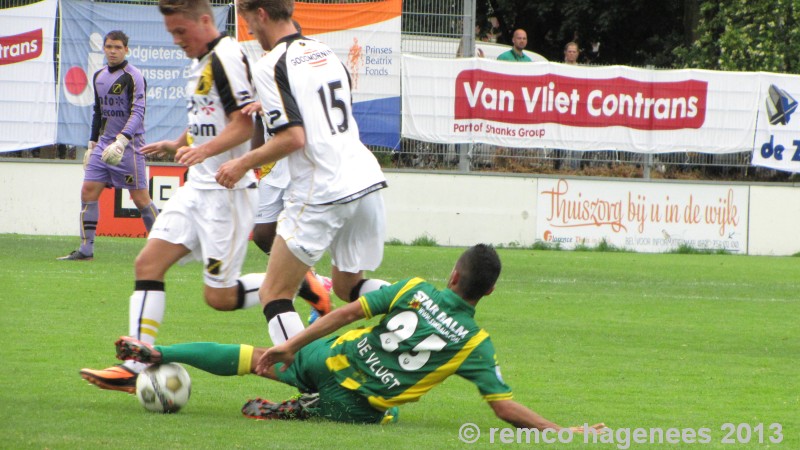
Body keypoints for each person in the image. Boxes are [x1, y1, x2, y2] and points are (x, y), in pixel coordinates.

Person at [113, 244, 607, 431]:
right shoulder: (477, 345)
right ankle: (303, 410)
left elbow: (346, 310)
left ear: (453, 275)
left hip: (326, 355)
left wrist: (295, 342)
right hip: (355, 402)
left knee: (256, 355)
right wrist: (562, 432)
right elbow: (503, 407)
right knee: (385, 413)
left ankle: (160, 351)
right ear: (489, 291)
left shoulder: (414, 288)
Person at [79, 0, 264, 394]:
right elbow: (207, 119)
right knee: (148, 263)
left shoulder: (227, 56)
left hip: (226, 193)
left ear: (203, 20)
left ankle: (296, 281)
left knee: (219, 298)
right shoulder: (200, 62)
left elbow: (243, 125)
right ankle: (133, 365)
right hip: (197, 187)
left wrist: (204, 152)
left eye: (182, 32)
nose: (178, 40)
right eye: (172, 34)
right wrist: (178, 142)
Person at [215, 0, 389, 347]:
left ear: (261, 14)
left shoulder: (270, 65)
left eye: (248, 22)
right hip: (364, 178)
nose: (249, 31)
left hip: (323, 188)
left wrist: (240, 164)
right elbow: (325, 113)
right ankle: (421, 305)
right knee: (348, 288)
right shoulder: (325, 52)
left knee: (274, 293)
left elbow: (294, 138)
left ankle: (310, 388)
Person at [58, 30, 158, 261]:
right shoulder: (99, 76)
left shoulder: (134, 76)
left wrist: (122, 141)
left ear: (126, 50)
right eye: (109, 47)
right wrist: (92, 143)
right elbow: (99, 111)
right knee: (88, 191)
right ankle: (85, 249)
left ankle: (162, 247)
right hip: (103, 144)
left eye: (117, 47)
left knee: (141, 198)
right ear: (104, 48)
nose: (112, 51)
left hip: (130, 146)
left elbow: (138, 112)